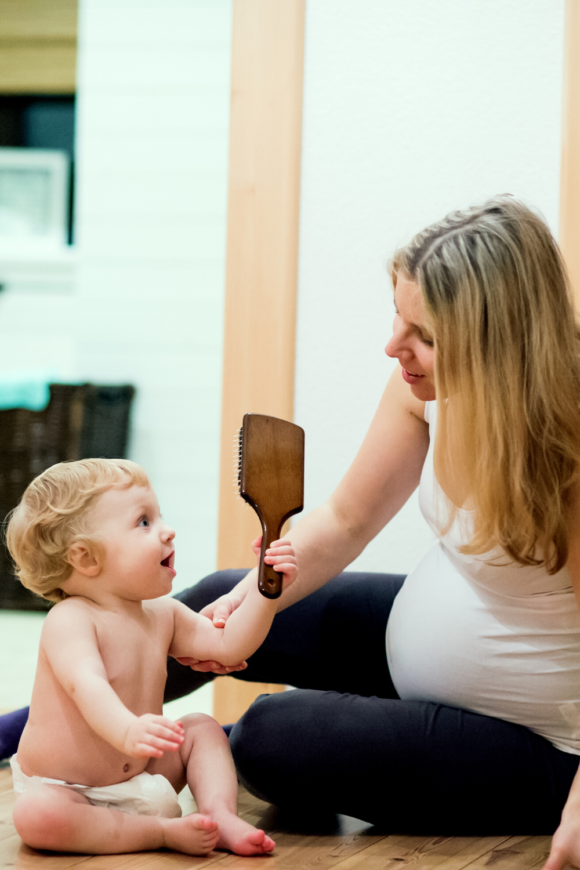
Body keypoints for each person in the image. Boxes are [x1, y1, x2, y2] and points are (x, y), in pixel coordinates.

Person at [159, 195, 580, 870]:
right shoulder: (422, 388)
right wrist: (257, 597)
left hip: (545, 745)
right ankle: (47, 741)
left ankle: (191, 748)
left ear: (499, 342)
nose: (393, 346)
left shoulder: (569, 441)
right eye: (399, 315)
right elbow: (348, 520)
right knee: (216, 597)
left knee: (273, 738)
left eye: (426, 335)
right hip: (420, 654)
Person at [5, 458, 297, 857]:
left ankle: (220, 814)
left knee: (201, 728)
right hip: (69, 791)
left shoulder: (163, 614)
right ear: (86, 558)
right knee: (36, 816)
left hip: (143, 774)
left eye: (160, 516)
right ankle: (159, 832)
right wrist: (127, 730)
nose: (167, 530)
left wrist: (266, 593)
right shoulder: (70, 620)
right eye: (144, 521)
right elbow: (86, 683)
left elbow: (229, 646)